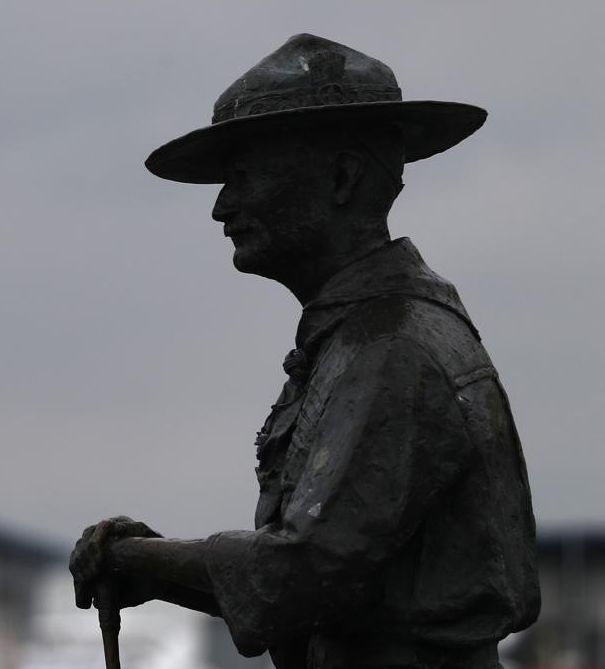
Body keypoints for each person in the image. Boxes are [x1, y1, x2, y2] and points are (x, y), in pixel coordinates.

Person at [68, 34, 540, 669]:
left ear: (341, 177)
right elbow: (337, 591)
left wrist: (142, 559)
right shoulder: (362, 338)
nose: (221, 207)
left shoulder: (394, 350)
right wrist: (166, 574)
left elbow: (302, 574)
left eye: (244, 176)